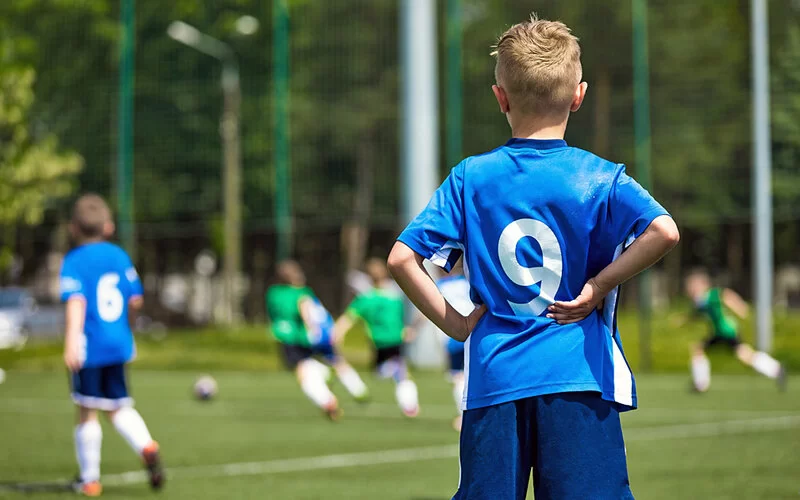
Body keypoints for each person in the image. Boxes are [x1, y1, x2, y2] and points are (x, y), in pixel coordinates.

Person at [387, 15, 680, 500]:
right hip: (578, 376)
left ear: (500, 98)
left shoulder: (470, 177)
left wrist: (458, 326)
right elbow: (663, 231)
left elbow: (401, 260)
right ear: (578, 95)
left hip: (495, 375)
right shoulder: (599, 177)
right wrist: (597, 287)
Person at [60, 194, 163, 497]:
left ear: (73, 227)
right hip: (118, 343)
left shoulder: (74, 260)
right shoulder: (119, 256)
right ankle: (146, 444)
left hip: (89, 347)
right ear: (108, 226)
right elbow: (136, 299)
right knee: (118, 407)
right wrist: (127, 330)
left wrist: (70, 343)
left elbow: (76, 302)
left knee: (87, 410)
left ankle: (90, 479)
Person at [265, 261, 368, 420]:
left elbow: (273, 314)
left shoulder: (273, 293)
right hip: (306, 335)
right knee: (331, 360)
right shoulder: (301, 292)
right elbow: (306, 309)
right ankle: (354, 387)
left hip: (287, 337)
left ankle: (326, 398)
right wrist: (313, 328)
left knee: (302, 370)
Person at [334, 258, 420, 418]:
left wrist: (337, 333)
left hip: (379, 341)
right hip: (396, 338)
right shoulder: (394, 297)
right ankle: (409, 406)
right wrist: (411, 329)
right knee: (400, 374)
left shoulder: (365, 300)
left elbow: (348, 319)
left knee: (382, 372)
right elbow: (412, 314)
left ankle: (405, 396)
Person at [685, 269, 787, 392]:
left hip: (726, 331)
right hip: (720, 332)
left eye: (692, 285)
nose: (690, 289)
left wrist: (739, 306)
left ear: (702, 284)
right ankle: (776, 369)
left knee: (741, 354)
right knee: (742, 354)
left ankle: (701, 384)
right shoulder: (701, 301)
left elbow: (726, 295)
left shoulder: (712, 295)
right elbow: (697, 314)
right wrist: (684, 320)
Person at [434, 259, 473, 432]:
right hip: (475, 330)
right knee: (472, 374)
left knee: (458, 376)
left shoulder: (439, 285)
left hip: (454, 333)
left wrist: (413, 328)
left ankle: (463, 414)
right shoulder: (468, 283)